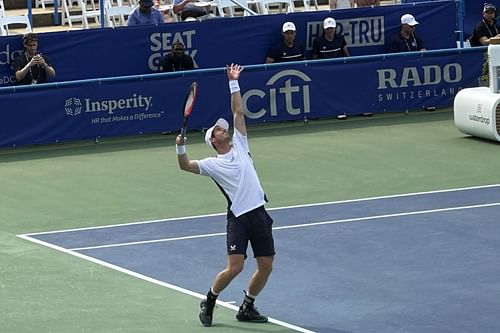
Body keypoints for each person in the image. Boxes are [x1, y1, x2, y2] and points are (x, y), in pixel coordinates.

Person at [175, 64, 275, 327]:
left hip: (259, 212)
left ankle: (247, 306)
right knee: (235, 267)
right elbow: (185, 166)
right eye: (219, 130)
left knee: (266, 265)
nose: (224, 129)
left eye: (223, 128)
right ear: (214, 140)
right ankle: (209, 300)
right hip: (239, 218)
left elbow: (237, 111)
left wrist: (234, 82)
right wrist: (180, 147)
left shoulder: (241, 143)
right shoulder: (212, 164)